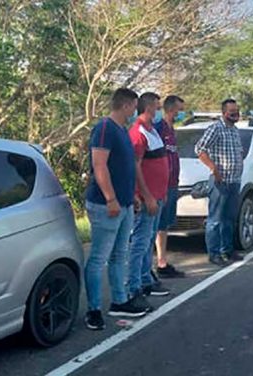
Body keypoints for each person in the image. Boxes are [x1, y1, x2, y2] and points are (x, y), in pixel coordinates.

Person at [84, 88, 148, 331]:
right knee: (99, 257)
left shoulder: (121, 130)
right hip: (105, 205)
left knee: (119, 254)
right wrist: (111, 198)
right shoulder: (104, 129)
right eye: (134, 106)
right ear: (126, 105)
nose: (135, 111)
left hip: (124, 204)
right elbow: (99, 165)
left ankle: (119, 301)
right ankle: (93, 309)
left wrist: (131, 196)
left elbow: (124, 167)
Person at [128, 92, 171, 312]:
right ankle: (133, 286)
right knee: (140, 242)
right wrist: (146, 196)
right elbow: (135, 167)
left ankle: (145, 279)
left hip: (159, 196)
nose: (158, 111)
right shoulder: (138, 134)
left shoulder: (152, 131)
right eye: (156, 107)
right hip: (149, 199)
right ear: (148, 108)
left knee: (147, 243)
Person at [195, 99, 244, 267]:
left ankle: (227, 250)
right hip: (220, 182)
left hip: (234, 181)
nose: (235, 114)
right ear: (224, 113)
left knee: (229, 219)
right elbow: (199, 149)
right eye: (232, 111)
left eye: (236, 111)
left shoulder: (235, 131)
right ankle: (214, 254)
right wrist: (213, 168)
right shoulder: (216, 128)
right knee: (215, 219)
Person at [154, 95, 187, 278]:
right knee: (155, 225)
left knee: (164, 225)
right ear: (171, 109)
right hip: (161, 186)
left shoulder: (172, 129)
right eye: (179, 110)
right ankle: (150, 267)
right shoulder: (159, 128)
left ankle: (162, 261)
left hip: (173, 184)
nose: (181, 114)